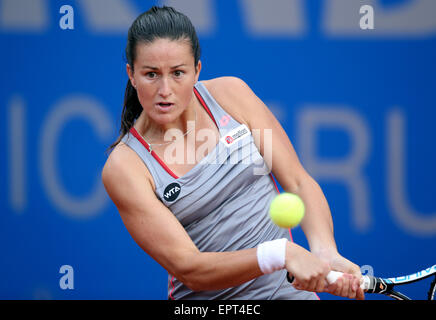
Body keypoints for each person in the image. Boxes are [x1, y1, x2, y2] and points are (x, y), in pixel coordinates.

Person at [102, 6, 365, 300]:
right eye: (151, 74)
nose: (165, 89)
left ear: (197, 70)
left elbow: (298, 181)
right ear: (132, 75)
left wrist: (326, 251)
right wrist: (279, 254)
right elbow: (190, 268)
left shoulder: (231, 95)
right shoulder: (125, 167)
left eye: (178, 73)